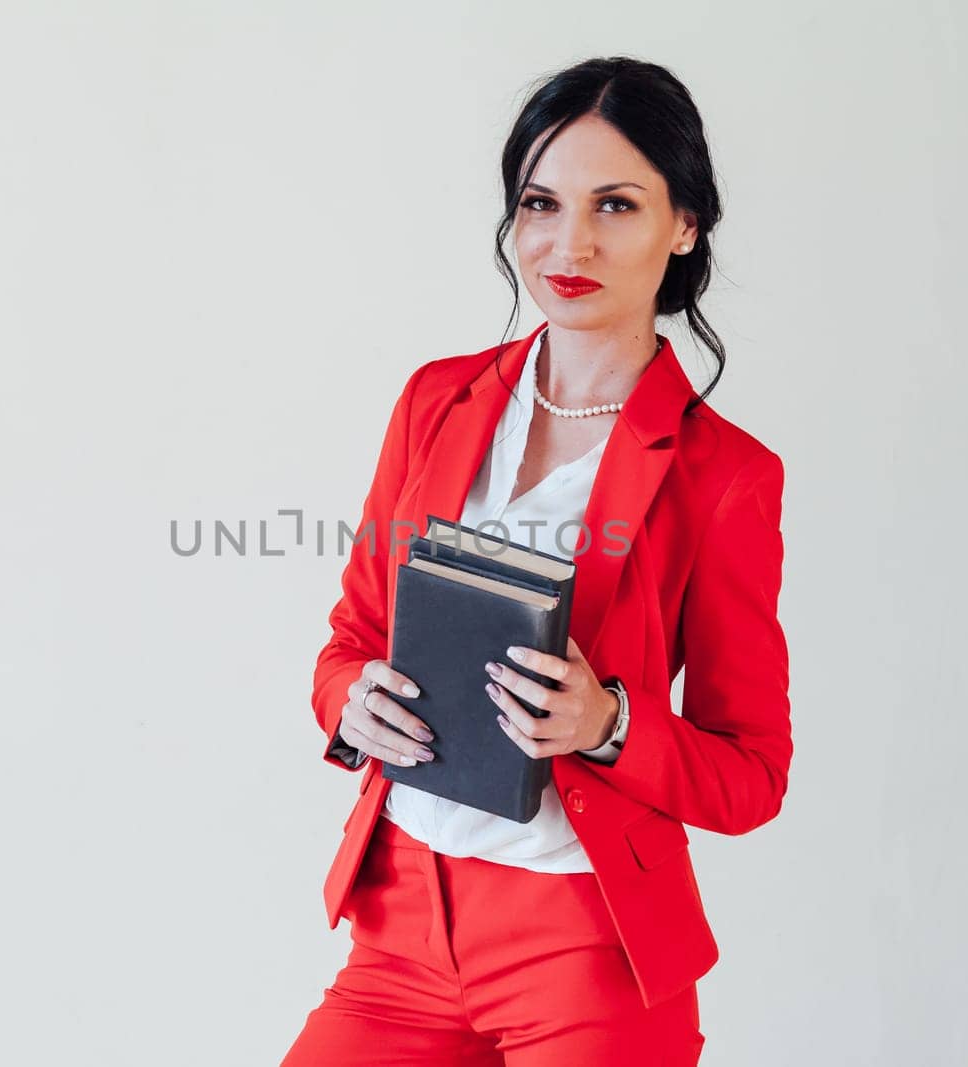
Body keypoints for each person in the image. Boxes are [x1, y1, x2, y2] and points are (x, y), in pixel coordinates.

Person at [282, 56, 791, 1066]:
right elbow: (350, 637)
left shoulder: (724, 474)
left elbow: (750, 775)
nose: (571, 243)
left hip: (585, 948)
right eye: (541, 202)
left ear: (684, 224)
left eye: (616, 204)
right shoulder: (437, 399)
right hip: (402, 923)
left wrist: (610, 723)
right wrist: (349, 699)